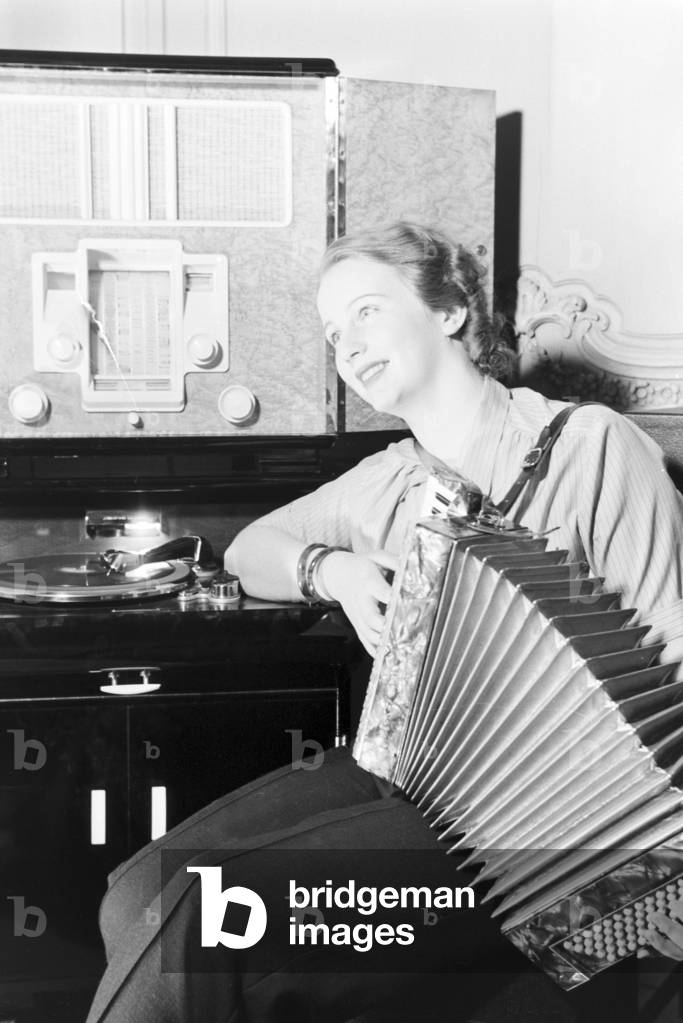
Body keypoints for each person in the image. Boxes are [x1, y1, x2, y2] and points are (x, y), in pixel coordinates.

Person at [86, 222, 683, 1023]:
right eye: (334, 333)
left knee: (195, 929)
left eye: (366, 311)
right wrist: (330, 569)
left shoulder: (588, 445)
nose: (348, 345)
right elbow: (250, 546)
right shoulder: (388, 480)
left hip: (557, 829)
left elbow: (671, 661)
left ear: (449, 311)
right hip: (416, 768)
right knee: (134, 894)